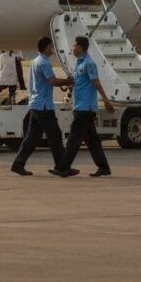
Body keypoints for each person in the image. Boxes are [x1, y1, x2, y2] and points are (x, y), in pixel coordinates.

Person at [51, 36, 115, 178]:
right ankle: (103, 167)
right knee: (92, 140)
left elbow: (96, 82)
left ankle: (63, 167)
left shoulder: (88, 63)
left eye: (74, 46)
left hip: (85, 108)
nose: (72, 48)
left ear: (81, 47)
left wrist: (106, 100)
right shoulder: (79, 63)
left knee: (74, 138)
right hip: (80, 106)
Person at [10, 37, 72, 176]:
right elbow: (52, 80)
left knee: (32, 137)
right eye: (51, 46)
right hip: (44, 105)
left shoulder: (35, 61)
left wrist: (63, 83)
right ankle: (62, 167)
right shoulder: (44, 62)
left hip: (35, 103)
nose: (52, 49)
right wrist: (68, 81)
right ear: (45, 47)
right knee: (54, 135)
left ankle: (18, 164)